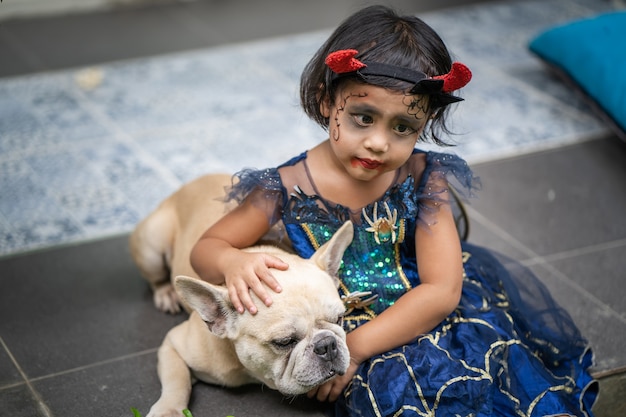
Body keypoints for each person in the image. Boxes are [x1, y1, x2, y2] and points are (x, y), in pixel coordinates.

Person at [190, 5, 598, 416]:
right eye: (363, 118)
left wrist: (357, 348)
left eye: (403, 127)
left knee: (470, 382)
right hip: (321, 325)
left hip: (415, 315)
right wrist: (231, 262)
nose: (379, 143)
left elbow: (441, 291)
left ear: (426, 122)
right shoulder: (285, 186)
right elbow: (207, 248)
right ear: (327, 102)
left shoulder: (422, 176)